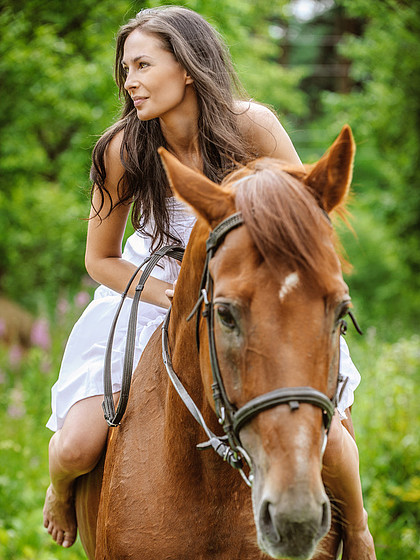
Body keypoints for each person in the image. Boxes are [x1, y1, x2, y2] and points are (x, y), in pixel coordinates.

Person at [43, 6, 375, 558]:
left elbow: (304, 216)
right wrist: (164, 295)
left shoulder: (253, 126)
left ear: (188, 67)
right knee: (76, 444)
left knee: (333, 440)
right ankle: (59, 493)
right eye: (125, 68)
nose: (130, 82)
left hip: (253, 285)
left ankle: (359, 527)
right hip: (150, 284)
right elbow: (99, 260)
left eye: (144, 65)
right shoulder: (122, 149)